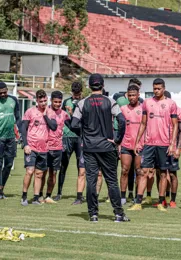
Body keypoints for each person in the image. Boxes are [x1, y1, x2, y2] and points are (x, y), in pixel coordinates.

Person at [72, 73, 129, 222]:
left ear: (89, 86)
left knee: (91, 181)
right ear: (103, 85)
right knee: (112, 181)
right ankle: (118, 214)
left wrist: (84, 135)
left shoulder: (82, 103)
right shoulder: (110, 102)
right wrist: (117, 140)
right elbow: (122, 121)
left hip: (90, 147)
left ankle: (93, 214)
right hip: (107, 146)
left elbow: (73, 124)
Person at [128, 78, 178, 212]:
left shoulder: (171, 104)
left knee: (162, 173)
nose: (156, 91)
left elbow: (175, 125)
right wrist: (138, 141)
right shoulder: (147, 103)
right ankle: (138, 202)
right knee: (144, 172)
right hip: (149, 144)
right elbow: (143, 124)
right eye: (154, 88)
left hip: (164, 144)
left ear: (164, 88)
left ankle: (161, 202)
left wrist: (172, 144)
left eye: (159, 88)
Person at [20, 90, 57, 206]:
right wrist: (25, 144)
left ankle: (36, 197)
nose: (43, 103)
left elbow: (54, 127)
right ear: (37, 101)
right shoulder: (30, 111)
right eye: (41, 101)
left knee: (39, 174)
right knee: (30, 171)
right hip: (31, 147)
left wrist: (45, 115)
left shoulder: (50, 112)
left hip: (44, 148)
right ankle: (24, 196)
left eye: (45, 100)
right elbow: (23, 129)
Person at [113, 78, 143, 200]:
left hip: (140, 145)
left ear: (138, 95)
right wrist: (119, 143)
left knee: (139, 171)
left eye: (134, 95)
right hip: (125, 144)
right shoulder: (123, 109)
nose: (131, 98)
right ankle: (123, 197)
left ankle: (137, 196)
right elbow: (120, 127)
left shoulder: (143, 109)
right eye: (129, 95)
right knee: (124, 170)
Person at [40, 91, 72, 204]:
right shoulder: (45, 111)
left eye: (59, 102)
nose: (57, 104)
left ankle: (48, 196)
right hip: (45, 147)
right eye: (55, 102)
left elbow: (73, 126)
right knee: (42, 173)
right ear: (51, 101)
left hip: (58, 147)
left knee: (53, 173)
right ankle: (39, 195)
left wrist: (72, 114)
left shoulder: (64, 113)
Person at [54, 82, 84, 201]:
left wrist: (73, 114)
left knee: (80, 166)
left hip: (80, 137)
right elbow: (60, 116)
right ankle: (59, 193)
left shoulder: (84, 102)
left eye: (78, 94)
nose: (76, 96)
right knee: (63, 165)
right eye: (74, 93)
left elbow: (85, 120)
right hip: (67, 136)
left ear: (81, 92)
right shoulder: (66, 102)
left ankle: (79, 195)